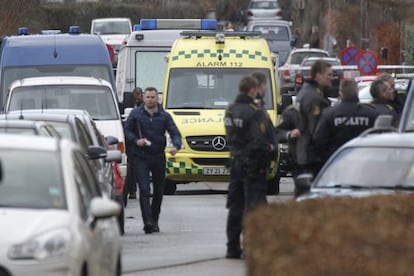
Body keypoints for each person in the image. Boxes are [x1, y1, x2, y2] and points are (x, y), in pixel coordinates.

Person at [224, 75, 275, 259]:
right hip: (253, 165)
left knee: (235, 206)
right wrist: (269, 148)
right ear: (253, 90)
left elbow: (229, 136)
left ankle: (232, 247)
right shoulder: (255, 112)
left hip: (235, 162)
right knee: (253, 206)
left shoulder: (230, 110)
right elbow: (259, 139)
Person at [124, 87, 182, 234]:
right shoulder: (136, 114)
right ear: (143, 98)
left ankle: (155, 219)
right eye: (147, 97)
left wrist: (176, 146)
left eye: (152, 97)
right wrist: (136, 140)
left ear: (157, 99)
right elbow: (127, 130)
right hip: (141, 156)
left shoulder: (164, 116)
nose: (150, 100)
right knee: (144, 189)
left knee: (159, 191)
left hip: (158, 156)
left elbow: (175, 132)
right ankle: (147, 221)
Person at [313, 79, 379, 163]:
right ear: (357, 91)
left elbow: (319, 140)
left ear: (340, 93)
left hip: (337, 160)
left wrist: (328, 157)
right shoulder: (371, 113)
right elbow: (378, 138)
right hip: (364, 161)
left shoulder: (329, 114)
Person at [295, 60, 333, 178]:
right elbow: (316, 129)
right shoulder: (314, 98)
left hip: (304, 153)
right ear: (318, 76)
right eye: (329, 75)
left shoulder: (306, 92)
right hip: (313, 157)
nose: (332, 78)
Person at [125, 87, 144, 201]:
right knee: (131, 167)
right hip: (132, 142)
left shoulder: (143, 107)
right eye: (136, 95)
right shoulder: (127, 105)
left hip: (141, 140)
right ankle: (132, 190)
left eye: (139, 95)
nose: (137, 97)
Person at [274, 104, 301, 178]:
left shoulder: (324, 109)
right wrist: (289, 134)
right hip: (298, 159)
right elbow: (277, 132)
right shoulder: (292, 113)